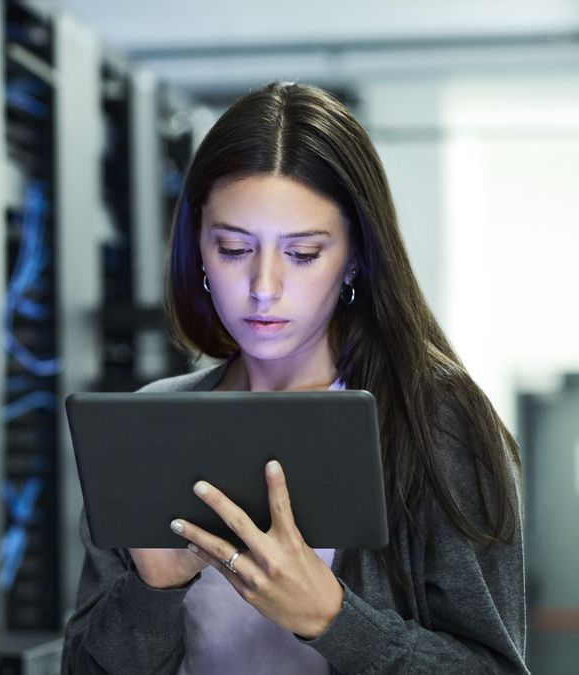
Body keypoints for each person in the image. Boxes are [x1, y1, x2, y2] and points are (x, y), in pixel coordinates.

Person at [61, 82, 527, 674]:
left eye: (303, 253)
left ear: (356, 255)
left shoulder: (436, 421)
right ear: (198, 247)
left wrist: (332, 620)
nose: (264, 286)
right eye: (232, 249)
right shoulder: (154, 422)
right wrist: (152, 590)